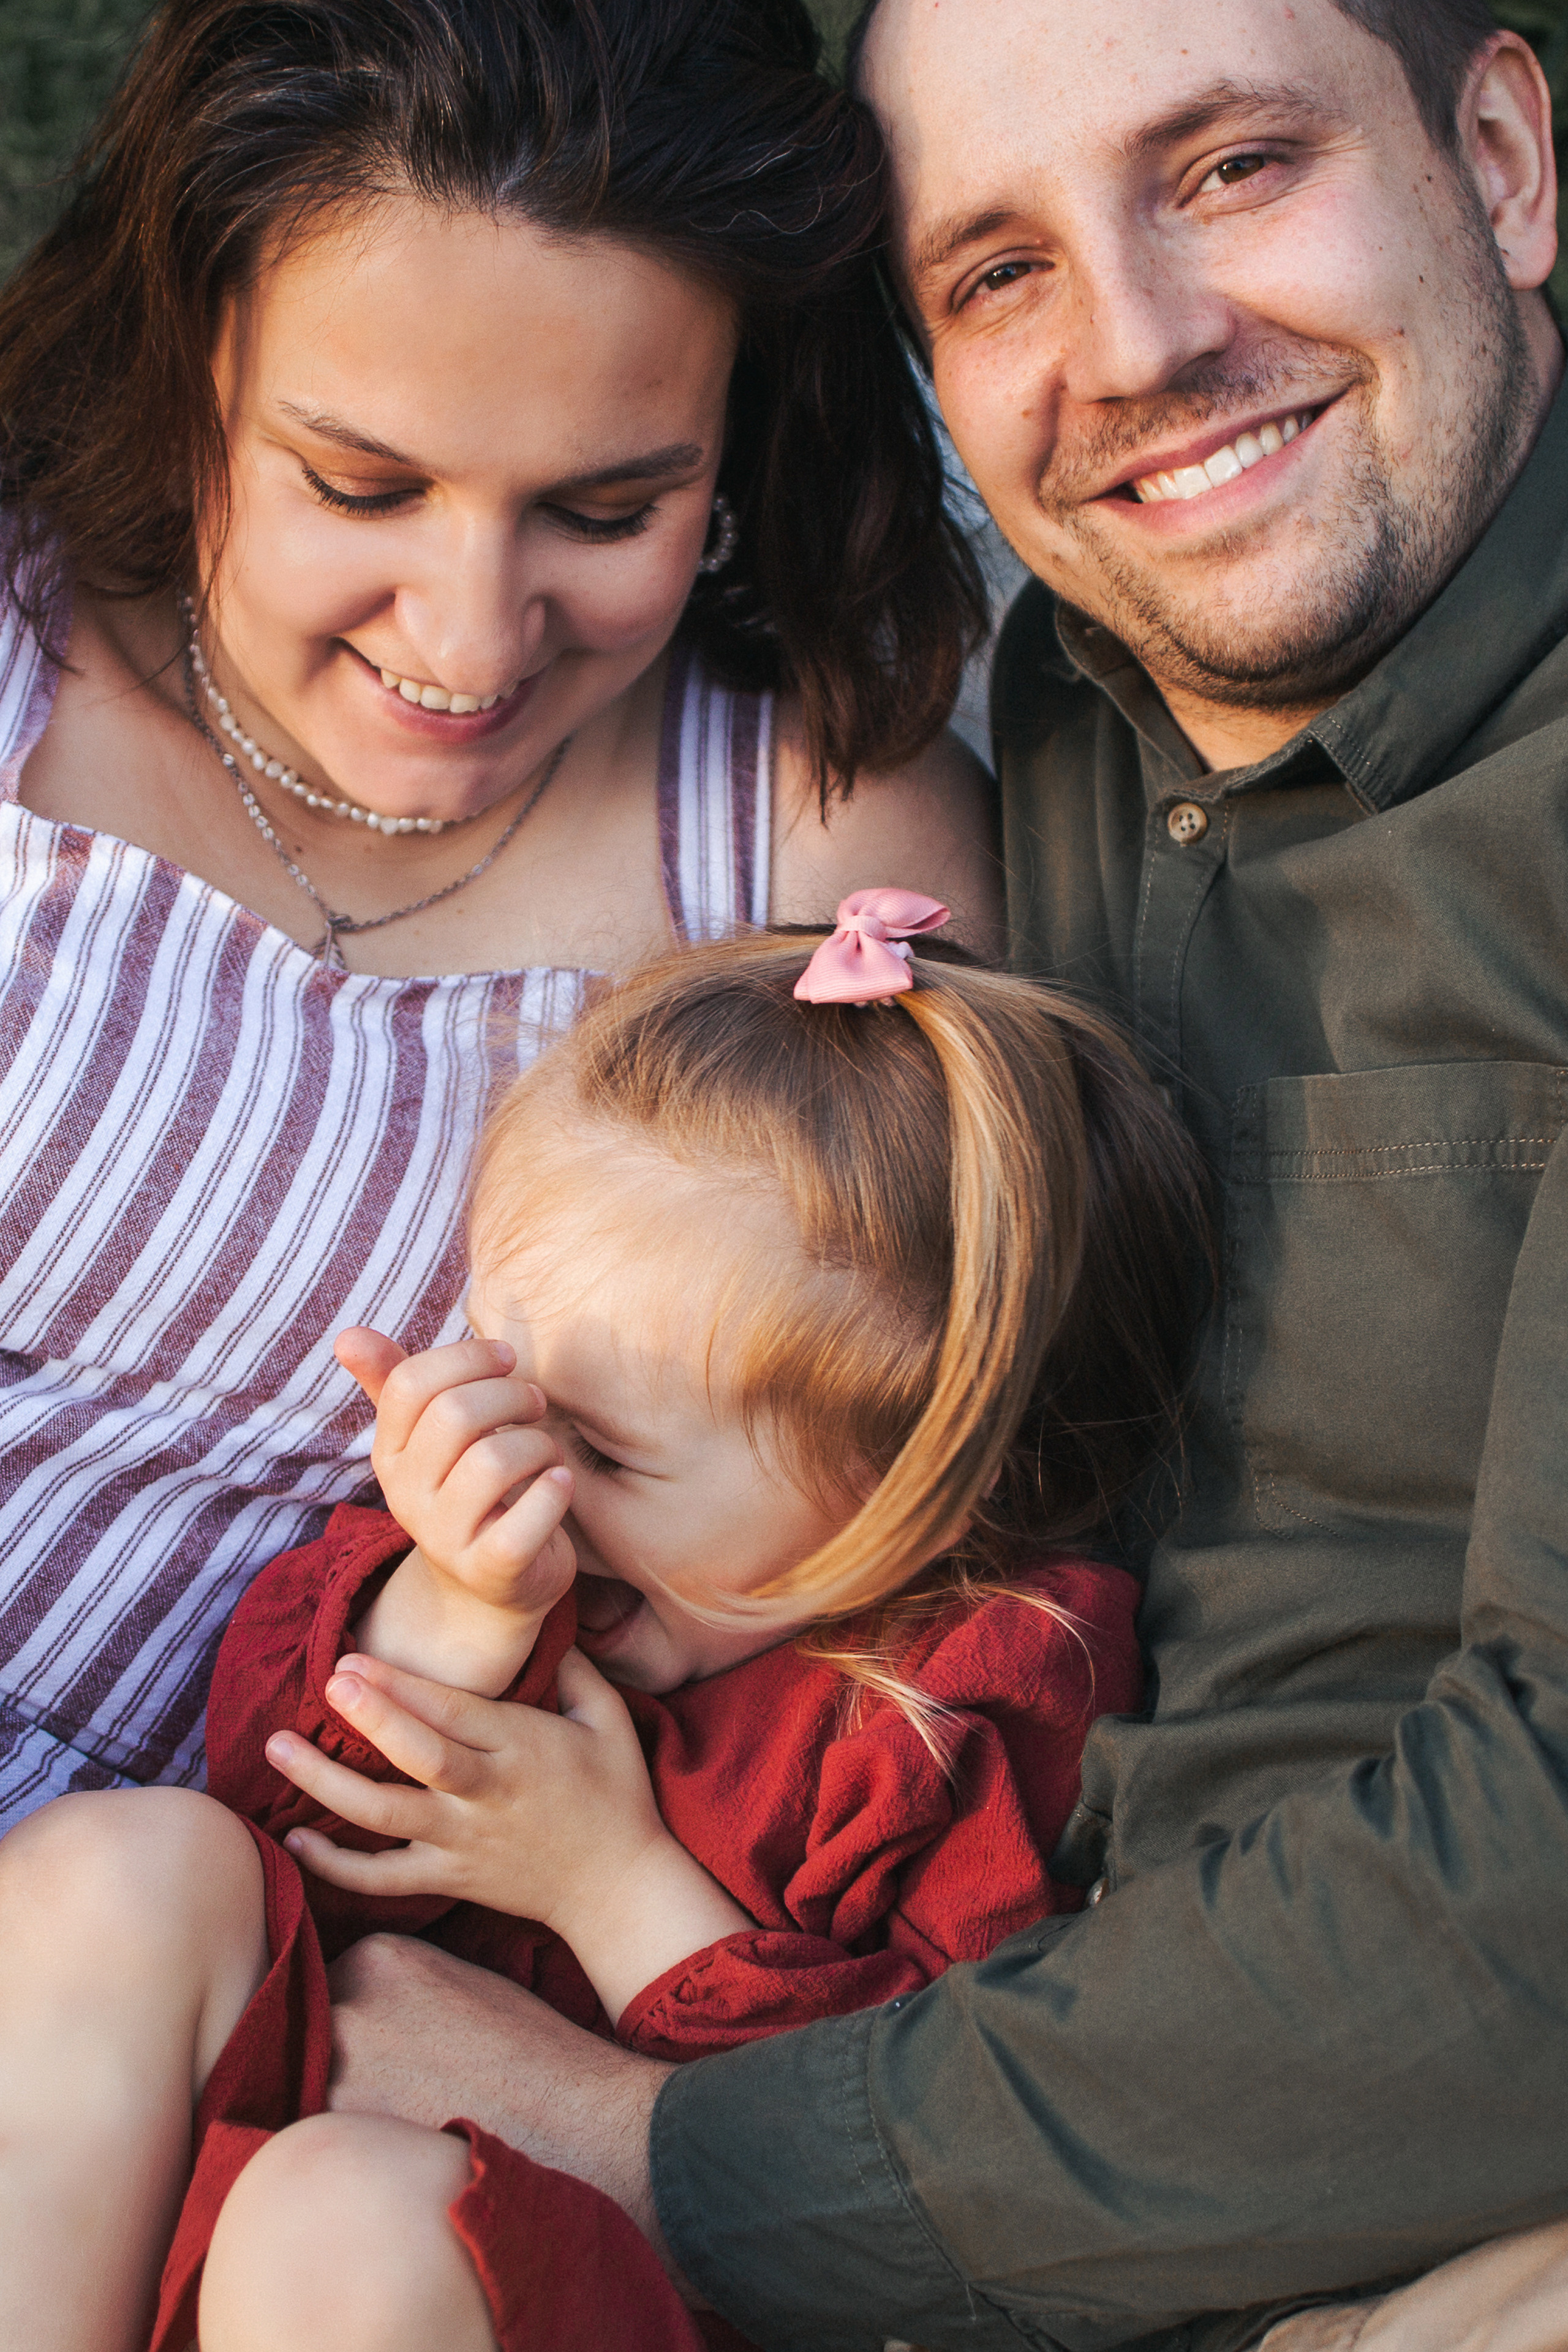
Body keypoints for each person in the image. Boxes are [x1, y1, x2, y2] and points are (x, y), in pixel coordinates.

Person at [263, 3, 1568, 2348]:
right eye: (994, 273)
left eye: (1238, 167)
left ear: (1503, 156)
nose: (1143, 348)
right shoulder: (1056, 697)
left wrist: (672, 2142)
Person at [0, 0, 998, 1832]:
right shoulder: (24, 660)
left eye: (609, 508)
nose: (468, 643)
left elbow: (888, 1484)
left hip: (177, 1935)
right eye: (360, 484)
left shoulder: (808, 853)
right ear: (194, 358)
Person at [0, 905, 1208, 2351]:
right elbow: (280, 1822)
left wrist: (608, 1883)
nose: (522, 1478)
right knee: (129, 1861)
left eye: (609, 1452)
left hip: (566, 2285)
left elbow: (918, 2151)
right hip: (203, 2206)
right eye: (497, 1381)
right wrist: (450, 1619)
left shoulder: (971, 1694)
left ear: (924, 1494)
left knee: (347, 2208)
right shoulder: (490, 1560)